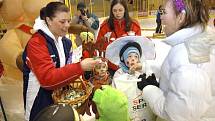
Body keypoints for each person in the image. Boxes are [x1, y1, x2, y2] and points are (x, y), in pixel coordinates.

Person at [137, 0, 215, 120]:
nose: (161, 17)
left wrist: (149, 89)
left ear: (181, 17)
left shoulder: (190, 55)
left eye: (164, 12)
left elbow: (178, 115)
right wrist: (146, 67)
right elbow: (177, 70)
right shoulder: (194, 44)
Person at [22, 2, 101, 121]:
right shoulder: (37, 44)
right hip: (39, 102)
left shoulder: (65, 42)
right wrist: (80, 67)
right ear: (48, 20)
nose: (67, 25)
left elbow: (66, 69)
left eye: (69, 21)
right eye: (62, 22)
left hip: (59, 99)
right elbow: (48, 79)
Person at [105, 36, 156, 121]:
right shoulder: (119, 73)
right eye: (129, 56)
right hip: (127, 105)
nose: (133, 59)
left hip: (142, 105)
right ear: (123, 58)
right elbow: (116, 89)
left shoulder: (142, 71)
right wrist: (129, 74)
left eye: (136, 57)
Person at [96, 0, 141, 76]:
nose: (117, 13)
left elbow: (139, 46)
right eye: (115, 10)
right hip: (111, 67)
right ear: (111, 11)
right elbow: (98, 45)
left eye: (120, 10)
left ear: (125, 10)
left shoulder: (134, 25)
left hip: (130, 66)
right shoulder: (105, 26)